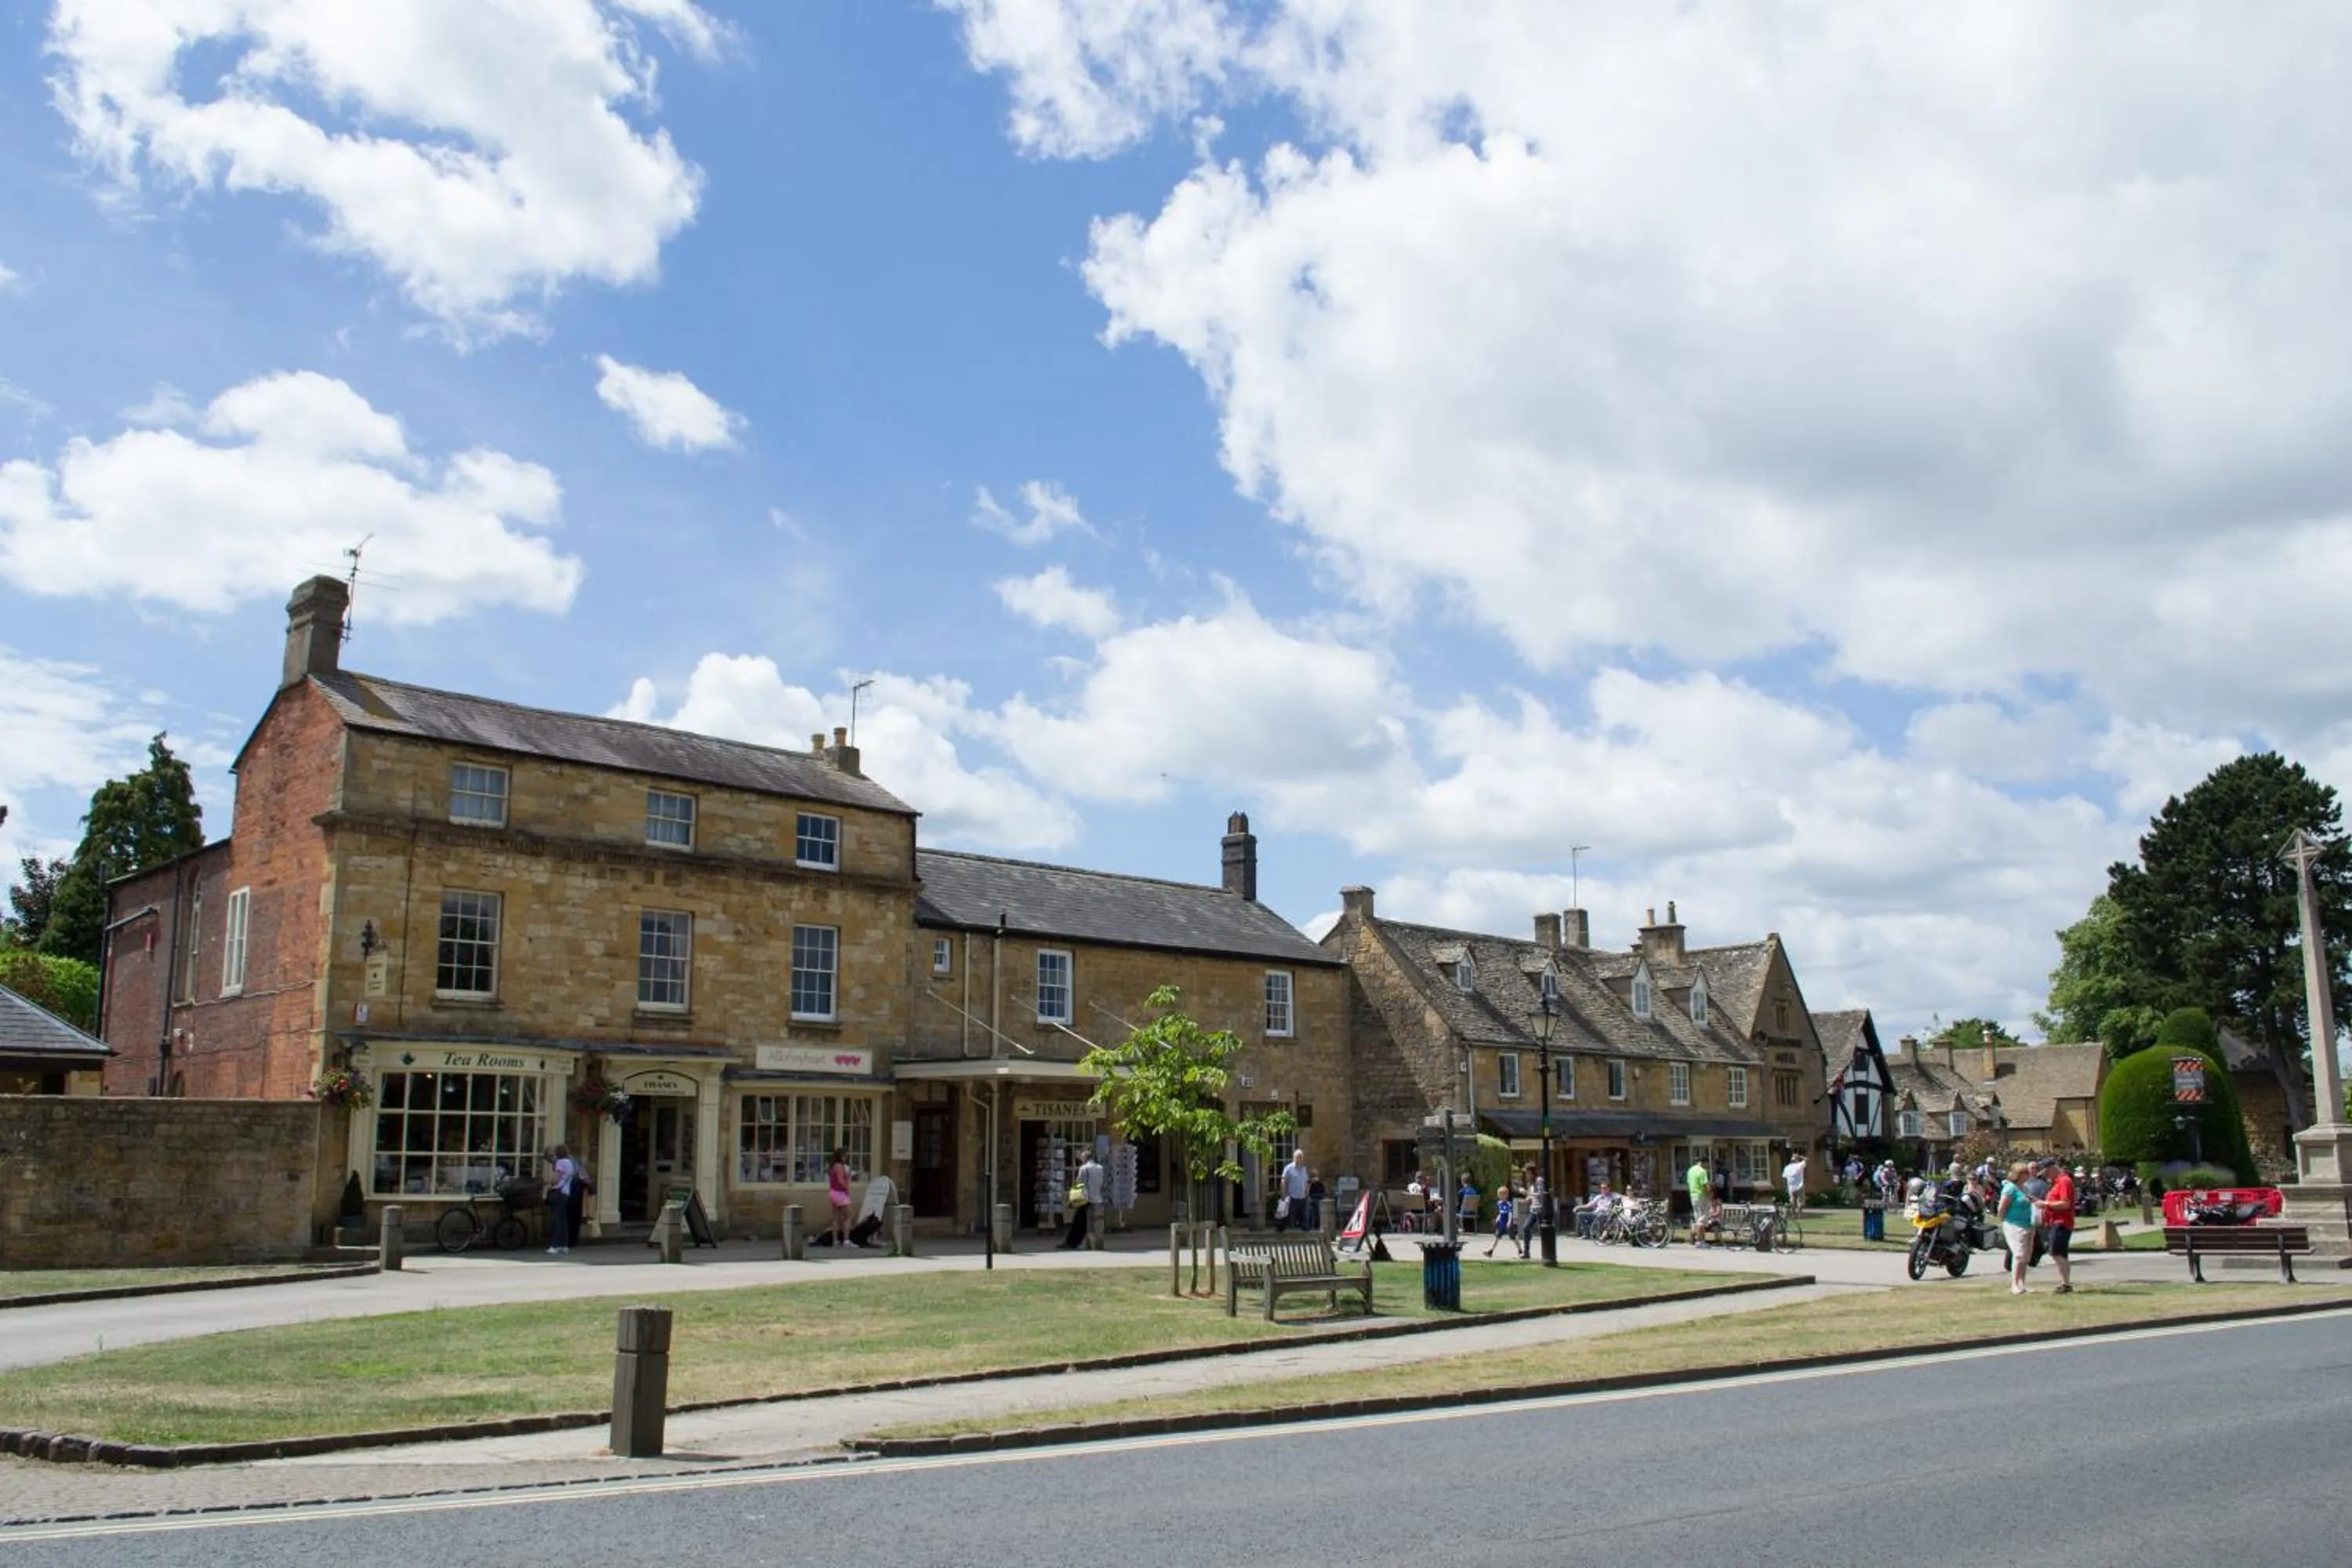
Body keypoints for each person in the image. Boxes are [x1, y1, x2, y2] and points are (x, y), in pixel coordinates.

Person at [2037, 1156, 2077, 1294]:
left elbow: (2065, 1204)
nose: (2045, 1175)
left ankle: (2066, 1283)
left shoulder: (2064, 1181)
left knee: (2057, 1252)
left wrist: (2045, 1204)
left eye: (2046, 1171)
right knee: (2058, 1252)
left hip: (2061, 1222)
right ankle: (2065, 1282)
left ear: (2053, 1168)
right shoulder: (2054, 1183)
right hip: (2053, 1221)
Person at [1997, 1161, 2038, 1294]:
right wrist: (2003, 1221)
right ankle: (2014, 1284)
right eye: (2024, 1173)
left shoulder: (2024, 1188)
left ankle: (2022, 1284)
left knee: (2026, 1256)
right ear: (2017, 1175)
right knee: (2019, 1254)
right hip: (2014, 1225)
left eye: (2027, 1173)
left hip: (2028, 1224)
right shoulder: (2010, 1188)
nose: (2027, 1176)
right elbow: (2002, 1208)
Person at [1060, 1145, 1105, 1248]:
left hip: (1086, 1198)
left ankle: (1071, 1242)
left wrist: (1072, 1199)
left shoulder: (1084, 1168)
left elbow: (1079, 1183)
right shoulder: (1100, 1168)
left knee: (1078, 1222)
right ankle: (1082, 1241)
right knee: (1088, 1222)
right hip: (1097, 1198)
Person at [545, 1143, 578, 1255]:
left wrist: (548, 1184)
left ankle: (555, 1245)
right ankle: (564, 1245)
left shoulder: (560, 1162)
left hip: (559, 1192)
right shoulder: (570, 1162)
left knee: (557, 1221)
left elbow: (556, 1179)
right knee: (563, 1221)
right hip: (566, 1192)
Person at [826, 1148, 854, 1247]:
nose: (846, 1158)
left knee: (835, 1218)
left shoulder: (833, 1167)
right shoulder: (839, 1167)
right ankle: (846, 1240)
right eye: (845, 1156)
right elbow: (840, 1181)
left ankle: (835, 1241)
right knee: (848, 1217)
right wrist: (846, 1185)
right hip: (840, 1193)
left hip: (833, 1192)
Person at [1282, 1147, 1312, 1231]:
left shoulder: (1304, 1169)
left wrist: (1307, 1194)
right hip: (1292, 1197)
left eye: (1301, 1157)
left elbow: (1305, 1182)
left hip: (1303, 1197)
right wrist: (1284, 1194)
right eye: (1298, 1157)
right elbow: (1284, 1181)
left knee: (1305, 1217)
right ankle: (1282, 1232)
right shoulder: (1288, 1168)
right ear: (1294, 1157)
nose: (1300, 1159)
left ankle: (1306, 1235)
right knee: (1288, 1216)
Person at [1485, 1183, 1515, 1257]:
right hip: (1501, 1224)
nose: (1499, 1196)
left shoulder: (1508, 1204)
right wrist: (1497, 1219)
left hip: (1507, 1224)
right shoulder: (1499, 1203)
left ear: (1506, 1195)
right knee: (1497, 1238)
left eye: (1501, 1195)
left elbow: (1510, 1214)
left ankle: (1520, 1251)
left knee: (1513, 1238)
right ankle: (1491, 1251)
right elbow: (1500, 1214)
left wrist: (1509, 1222)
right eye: (1499, 1195)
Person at [1686, 1156, 1712, 1243]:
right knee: (1703, 1219)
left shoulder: (1690, 1171)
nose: (1707, 1166)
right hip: (1702, 1196)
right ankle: (1701, 1241)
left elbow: (1689, 1183)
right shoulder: (1702, 1171)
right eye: (1707, 1164)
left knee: (1697, 1217)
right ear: (1704, 1163)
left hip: (1693, 1196)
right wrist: (1709, 1196)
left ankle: (1695, 1239)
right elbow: (1705, 1185)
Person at [1781, 1150, 1808, 1214]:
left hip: (1791, 1187)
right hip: (1800, 1186)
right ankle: (1799, 1215)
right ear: (1797, 1160)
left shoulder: (1787, 1168)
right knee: (1800, 1202)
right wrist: (1801, 1157)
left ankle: (1792, 1214)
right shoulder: (1800, 1165)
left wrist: (1786, 1187)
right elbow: (1806, 1159)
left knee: (1792, 1201)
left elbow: (1784, 1178)